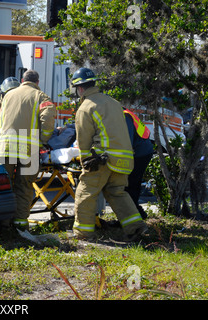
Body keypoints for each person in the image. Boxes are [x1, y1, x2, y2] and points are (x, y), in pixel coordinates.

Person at [71, 67, 147, 242]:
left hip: (102, 159)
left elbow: (84, 139)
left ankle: (83, 233)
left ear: (79, 88)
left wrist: (84, 161)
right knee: (116, 192)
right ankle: (136, 227)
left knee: (85, 192)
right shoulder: (113, 102)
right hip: (125, 159)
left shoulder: (86, 107)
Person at [0, 70, 56, 229]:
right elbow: (48, 118)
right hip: (28, 149)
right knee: (24, 187)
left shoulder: (8, 95)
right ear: (37, 82)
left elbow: (1, 118)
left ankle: (2, 225)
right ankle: (20, 225)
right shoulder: (40, 96)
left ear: (22, 80)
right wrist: (43, 140)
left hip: (5, 147)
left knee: (4, 187)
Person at [123, 108, 154, 220]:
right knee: (132, 183)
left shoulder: (124, 116)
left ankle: (136, 214)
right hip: (143, 150)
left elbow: (127, 141)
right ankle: (137, 214)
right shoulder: (126, 113)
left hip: (140, 152)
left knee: (131, 183)